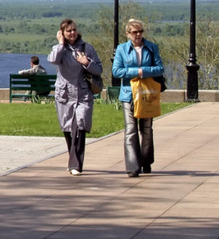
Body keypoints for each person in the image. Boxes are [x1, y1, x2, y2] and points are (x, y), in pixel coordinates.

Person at [47, 19, 103, 176]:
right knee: (67, 127)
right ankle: (73, 158)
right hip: (64, 94)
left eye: (74, 30)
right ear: (62, 33)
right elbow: (52, 60)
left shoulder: (87, 48)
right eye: (68, 31)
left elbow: (99, 69)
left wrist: (86, 62)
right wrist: (60, 44)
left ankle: (75, 165)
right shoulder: (60, 49)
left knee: (80, 124)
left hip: (82, 93)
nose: (72, 33)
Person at [112, 19, 164, 177]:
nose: (138, 35)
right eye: (134, 32)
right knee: (131, 130)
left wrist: (144, 71)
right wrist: (136, 72)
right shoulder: (122, 49)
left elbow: (160, 68)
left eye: (140, 31)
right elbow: (117, 71)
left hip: (147, 94)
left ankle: (146, 161)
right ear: (128, 34)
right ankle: (133, 167)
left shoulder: (151, 48)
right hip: (129, 94)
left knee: (146, 130)